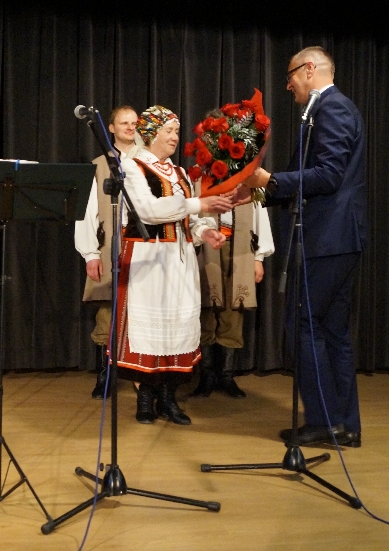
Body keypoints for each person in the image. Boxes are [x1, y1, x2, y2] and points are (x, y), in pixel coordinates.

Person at [244, 46, 367, 447]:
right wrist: (255, 194)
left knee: (304, 325)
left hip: (328, 238)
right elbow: (310, 178)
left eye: (291, 76)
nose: (288, 85)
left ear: (309, 69)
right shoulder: (327, 108)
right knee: (333, 331)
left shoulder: (333, 108)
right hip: (335, 238)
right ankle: (344, 425)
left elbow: (328, 176)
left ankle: (323, 421)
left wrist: (271, 181)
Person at [115, 105, 241, 425]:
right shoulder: (132, 166)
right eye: (168, 130)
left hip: (179, 259)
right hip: (148, 259)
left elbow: (189, 220)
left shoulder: (180, 173)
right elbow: (148, 210)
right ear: (151, 133)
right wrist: (198, 203)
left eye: (176, 131)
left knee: (176, 328)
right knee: (148, 332)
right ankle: (145, 397)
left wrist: (205, 231)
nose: (174, 136)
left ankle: (168, 398)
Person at [74, 105, 137, 399]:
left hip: (142, 244)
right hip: (111, 242)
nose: (130, 127)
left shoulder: (148, 160)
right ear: (111, 128)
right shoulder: (100, 165)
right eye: (124, 123)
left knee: (141, 309)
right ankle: (106, 373)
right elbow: (86, 212)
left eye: (134, 123)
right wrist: (90, 254)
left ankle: (141, 376)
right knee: (107, 310)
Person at [194, 191, 274, 398]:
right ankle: (207, 374)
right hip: (206, 247)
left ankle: (226, 375)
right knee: (206, 311)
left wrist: (259, 258)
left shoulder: (249, 184)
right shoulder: (199, 180)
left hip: (239, 248)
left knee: (233, 313)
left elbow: (260, 216)